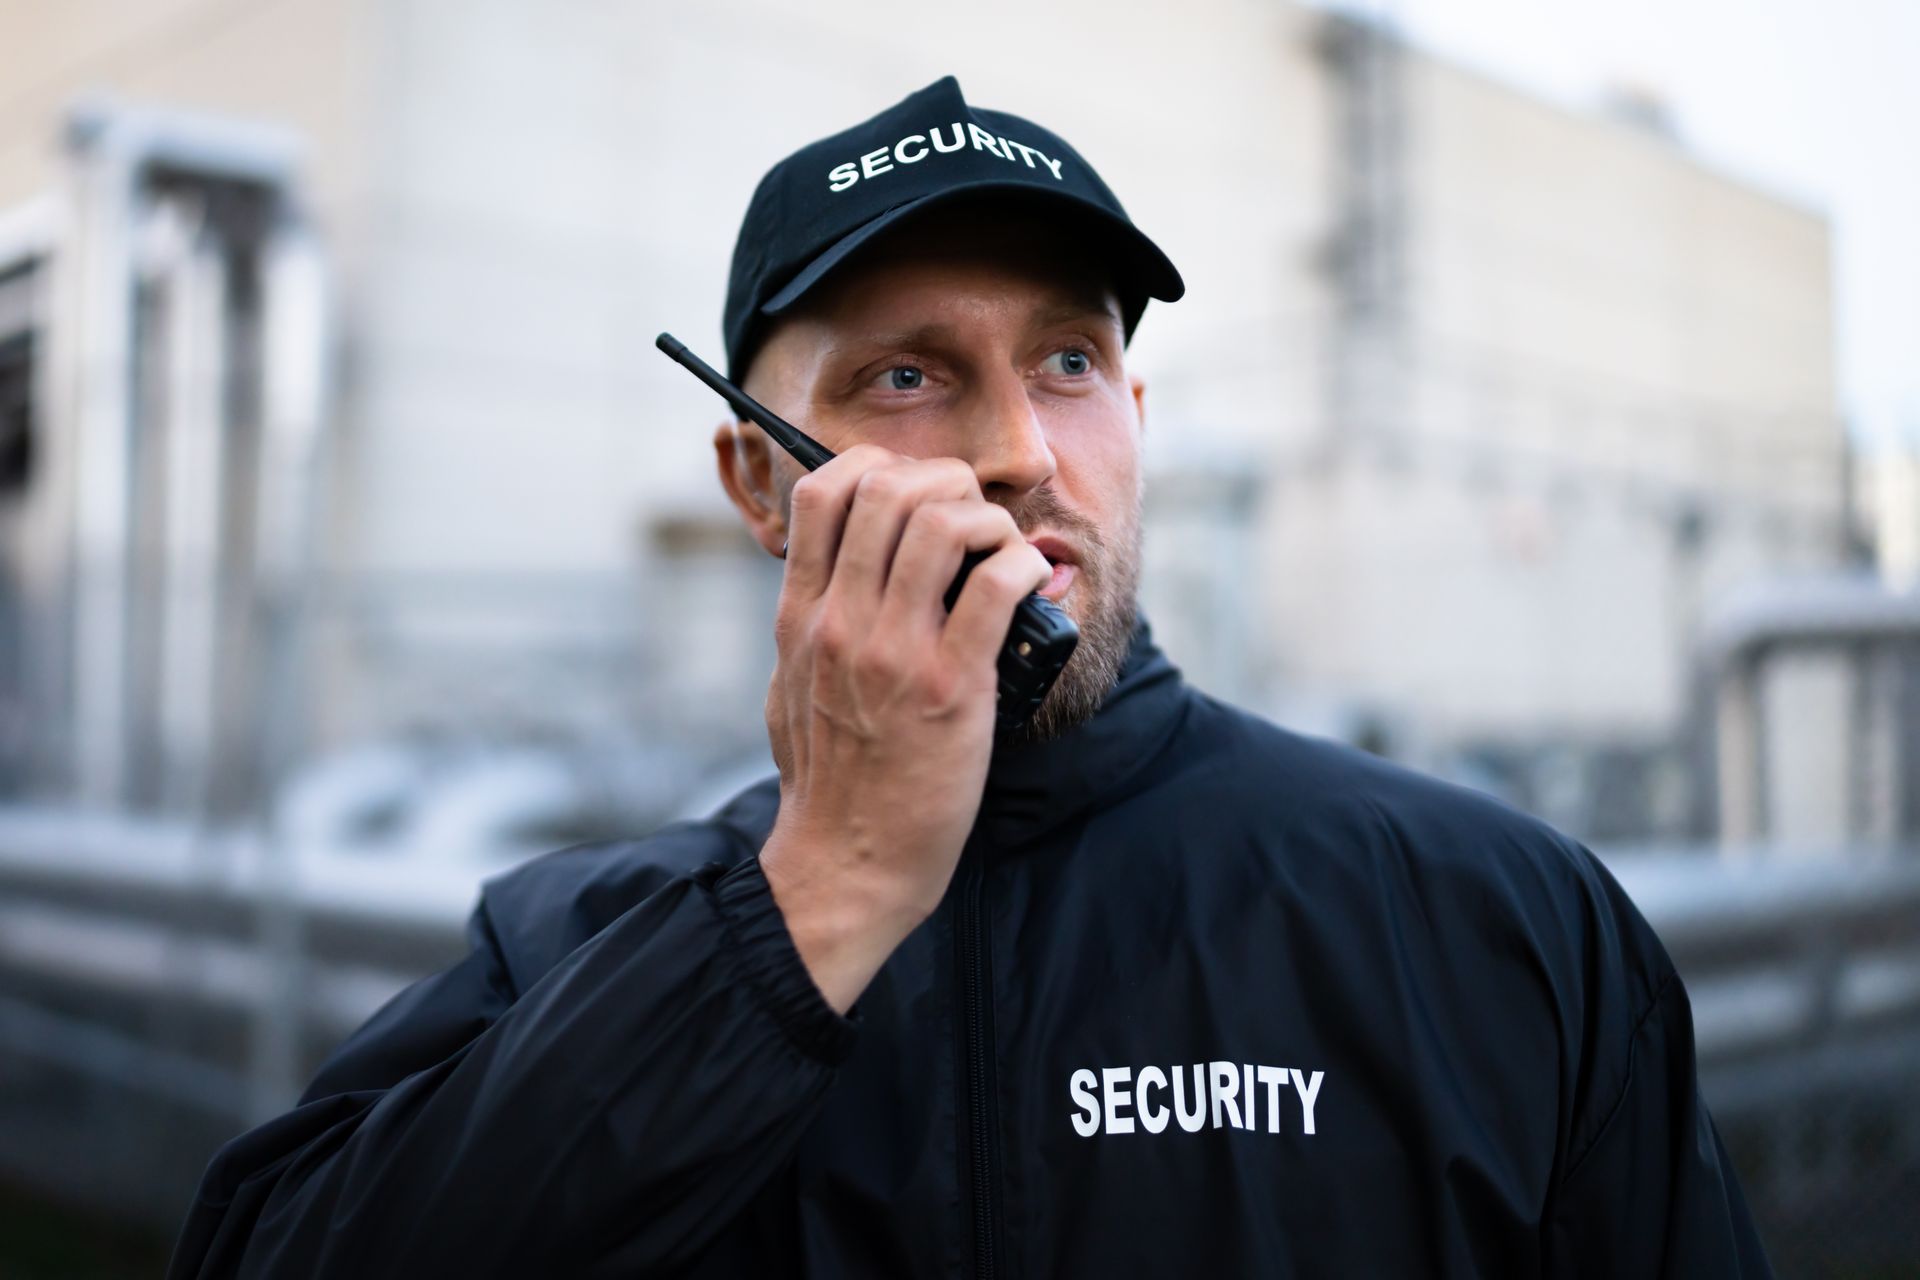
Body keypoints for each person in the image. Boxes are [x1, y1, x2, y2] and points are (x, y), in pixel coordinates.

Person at [165, 75, 1772, 1278]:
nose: (1019, 455)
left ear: (1134, 413)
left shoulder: (1491, 914)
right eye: (909, 376)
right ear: (756, 479)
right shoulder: (567, 945)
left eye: (1069, 362)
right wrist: (820, 896)